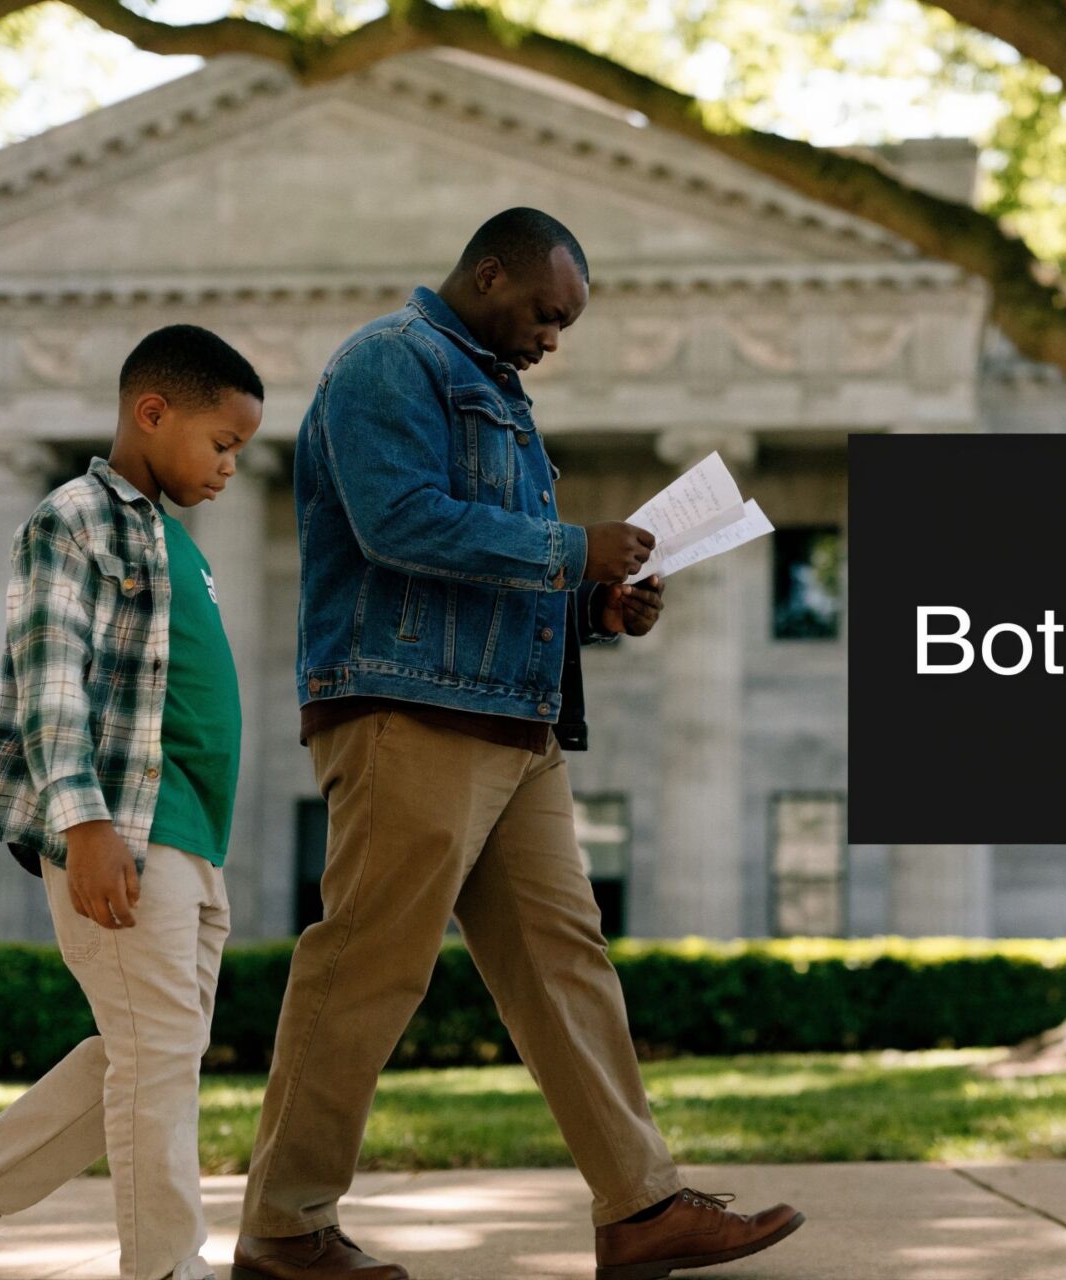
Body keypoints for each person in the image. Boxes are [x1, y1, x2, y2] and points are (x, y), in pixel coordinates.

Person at [231, 207, 804, 1280]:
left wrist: (598, 606)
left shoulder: (496, 391)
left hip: (513, 718)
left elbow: (489, 573)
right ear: (488, 275)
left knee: (563, 961)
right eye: (546, 313)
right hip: (409, 708)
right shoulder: (387, 363)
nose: (552, 338)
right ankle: (283, 1226)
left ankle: (640, 1206)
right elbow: (395, 521)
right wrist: (570, 547)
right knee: (369, 964)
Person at [0, 324, 266, 1280]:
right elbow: (51, 679)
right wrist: (83, 822)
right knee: (160, 1051)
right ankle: (167, 1266)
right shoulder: (75, 516)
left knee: (149, 1052)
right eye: (221, 444)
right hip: (126, 824)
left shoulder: (173, 538)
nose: (229, 469)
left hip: (189, 836)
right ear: (152, 411)